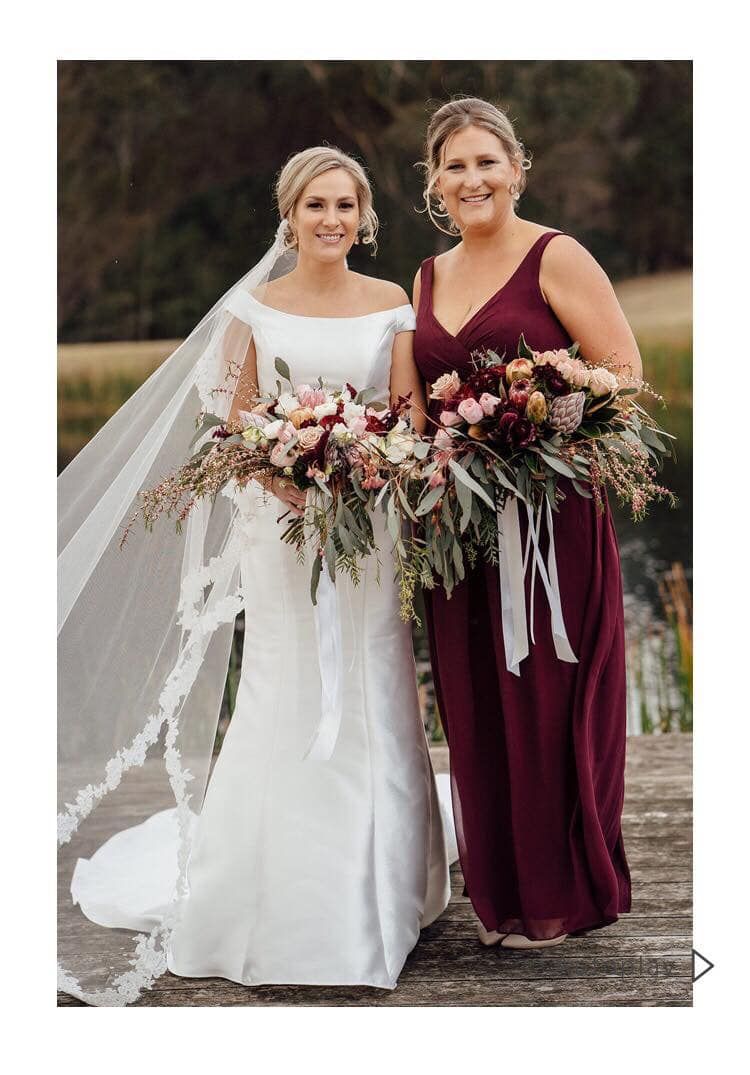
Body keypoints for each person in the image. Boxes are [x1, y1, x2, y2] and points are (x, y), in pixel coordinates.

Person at [58, 146, 452, 1005]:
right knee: (285, 679)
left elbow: (410, 409)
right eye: (316, 205)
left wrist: (370, 465)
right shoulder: (253, 307)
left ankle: (382, 885)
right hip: (280, 527)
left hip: (371, 524)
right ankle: (274, 891)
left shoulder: (391, 302)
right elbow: (234, 417)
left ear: (365, 216)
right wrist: (291, 476)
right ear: (290, 213)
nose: (332, 220)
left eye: (346, 205)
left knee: (378, 674)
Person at [412, 97, 638, 950]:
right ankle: (503, 897)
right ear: (436, 184)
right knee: (477, 698)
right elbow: (417, 404)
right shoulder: (426, 278)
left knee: (549, 695)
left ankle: (563, 893)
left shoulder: (556, 255)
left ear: (516, 168)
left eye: (486, 161)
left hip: (552, 521)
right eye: (455, 165)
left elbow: (621, 370)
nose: (473, 179)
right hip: (460, 530)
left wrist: (535, 430)